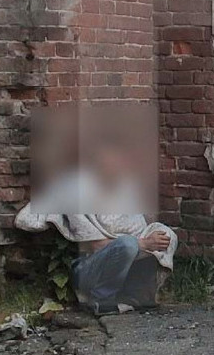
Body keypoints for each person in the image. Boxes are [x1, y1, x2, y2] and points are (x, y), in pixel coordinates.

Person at [14, 128, 177, 315]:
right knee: (128, 244)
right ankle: (101, 299)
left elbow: (137, 228)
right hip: (88, 268)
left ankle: (136, 295)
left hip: (127, 256)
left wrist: (152, 239)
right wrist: (143, 243)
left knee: (166, 235)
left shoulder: (126, 188)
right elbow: (96, 245)